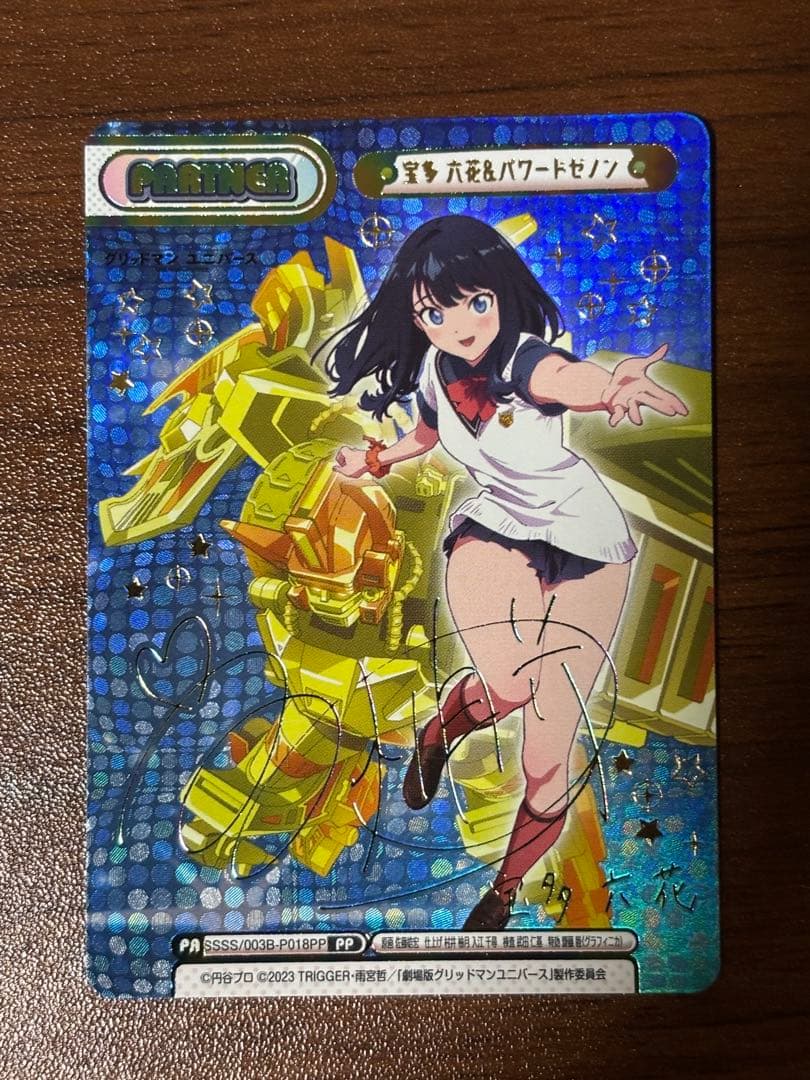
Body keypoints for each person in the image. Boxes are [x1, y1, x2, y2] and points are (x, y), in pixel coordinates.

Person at [325, 215, 688, 930]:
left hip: (590, 544)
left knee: (549, 759)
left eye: (476, 303)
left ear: (500, 294)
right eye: (435, 313)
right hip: (497, 531)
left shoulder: (525, 360)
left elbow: (565, 379)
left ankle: (506, 888)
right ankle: (439, 732)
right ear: (417, 318)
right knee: (510, 685)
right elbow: (427, 434)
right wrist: (375, 461)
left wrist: (610, 385)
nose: (458, 326)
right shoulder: (434, 373)